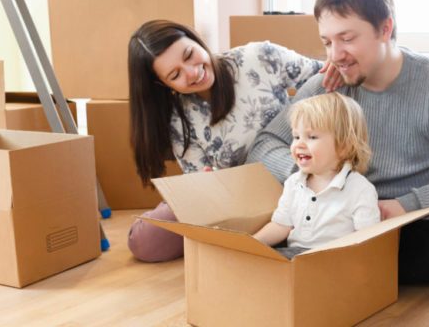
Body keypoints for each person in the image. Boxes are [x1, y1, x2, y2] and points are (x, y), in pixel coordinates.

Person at [248, 0, 429, 290]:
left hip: (404, 220)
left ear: (385, 29)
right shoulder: (329, 85)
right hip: (331, 216)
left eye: (347, 39)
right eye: (327, 42)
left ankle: (329, 269)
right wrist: (313, 172)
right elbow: (265, 144)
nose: (335, 55)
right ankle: (356, 271)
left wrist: (404, 206)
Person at [126, 20, 341, 262]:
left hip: (297, 180)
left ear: (196, 40)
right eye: (175, 75)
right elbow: (201, 185)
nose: (193, 73)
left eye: (189, 55)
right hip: (239, 203)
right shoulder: (179, 121)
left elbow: (324, 78)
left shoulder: (258, 57)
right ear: (162, 84)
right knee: (145, 241)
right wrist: (206, 182)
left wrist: (337, 59)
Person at [253, 93, 380, 259]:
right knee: (262, 260)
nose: (299, 144)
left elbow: (368, 242)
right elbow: (280, 226)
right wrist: (251, 243)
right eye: (296, 136)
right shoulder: (293, 183)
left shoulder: (359, 189)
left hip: (335, 260)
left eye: (312, 137)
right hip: (296, 258)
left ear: (344, 146)